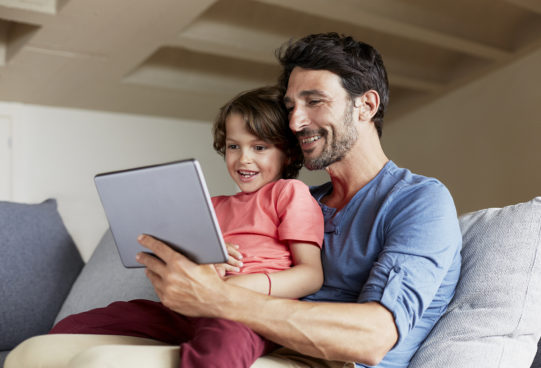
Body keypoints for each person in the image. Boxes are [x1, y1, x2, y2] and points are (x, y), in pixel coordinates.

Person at [7, 32, 462, 368]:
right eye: (289, 105)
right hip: (256, 334)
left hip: (323, 360)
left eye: (315, 101)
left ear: (365, 105)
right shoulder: (304, 197)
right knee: (31, 354)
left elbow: (373, 338)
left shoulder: (417, 200)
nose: (297, 120)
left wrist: (220, 298)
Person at [5, 86, 325, 368]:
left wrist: (237, 288)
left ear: (288, 153)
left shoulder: (288, 193)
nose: (243, 159)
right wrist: (201, 263)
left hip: (247, 311)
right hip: (188, 307)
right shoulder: (211, 204)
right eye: (233, 146)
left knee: (220, 348)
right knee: (75, 325)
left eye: (259, 147)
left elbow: (310, 275)